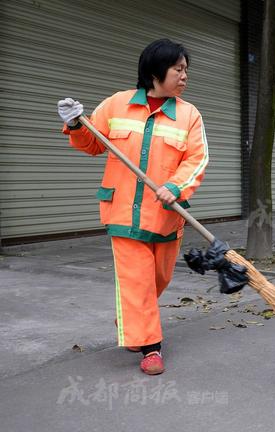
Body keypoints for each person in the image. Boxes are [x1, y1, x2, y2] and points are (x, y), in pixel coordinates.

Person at [57, 39, 209, 375]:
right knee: (137, 280)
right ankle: (151, 348)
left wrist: (176, 186)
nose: (184, 76)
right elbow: (93, 143)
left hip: (168, 215)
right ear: (156, 71)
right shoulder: (116, 104)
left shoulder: (188, 115)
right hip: (123, 211)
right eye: (178, 69)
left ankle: (133, 314)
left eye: (186, 70)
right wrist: (75, 123)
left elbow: (198, 159)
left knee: (158, 279)